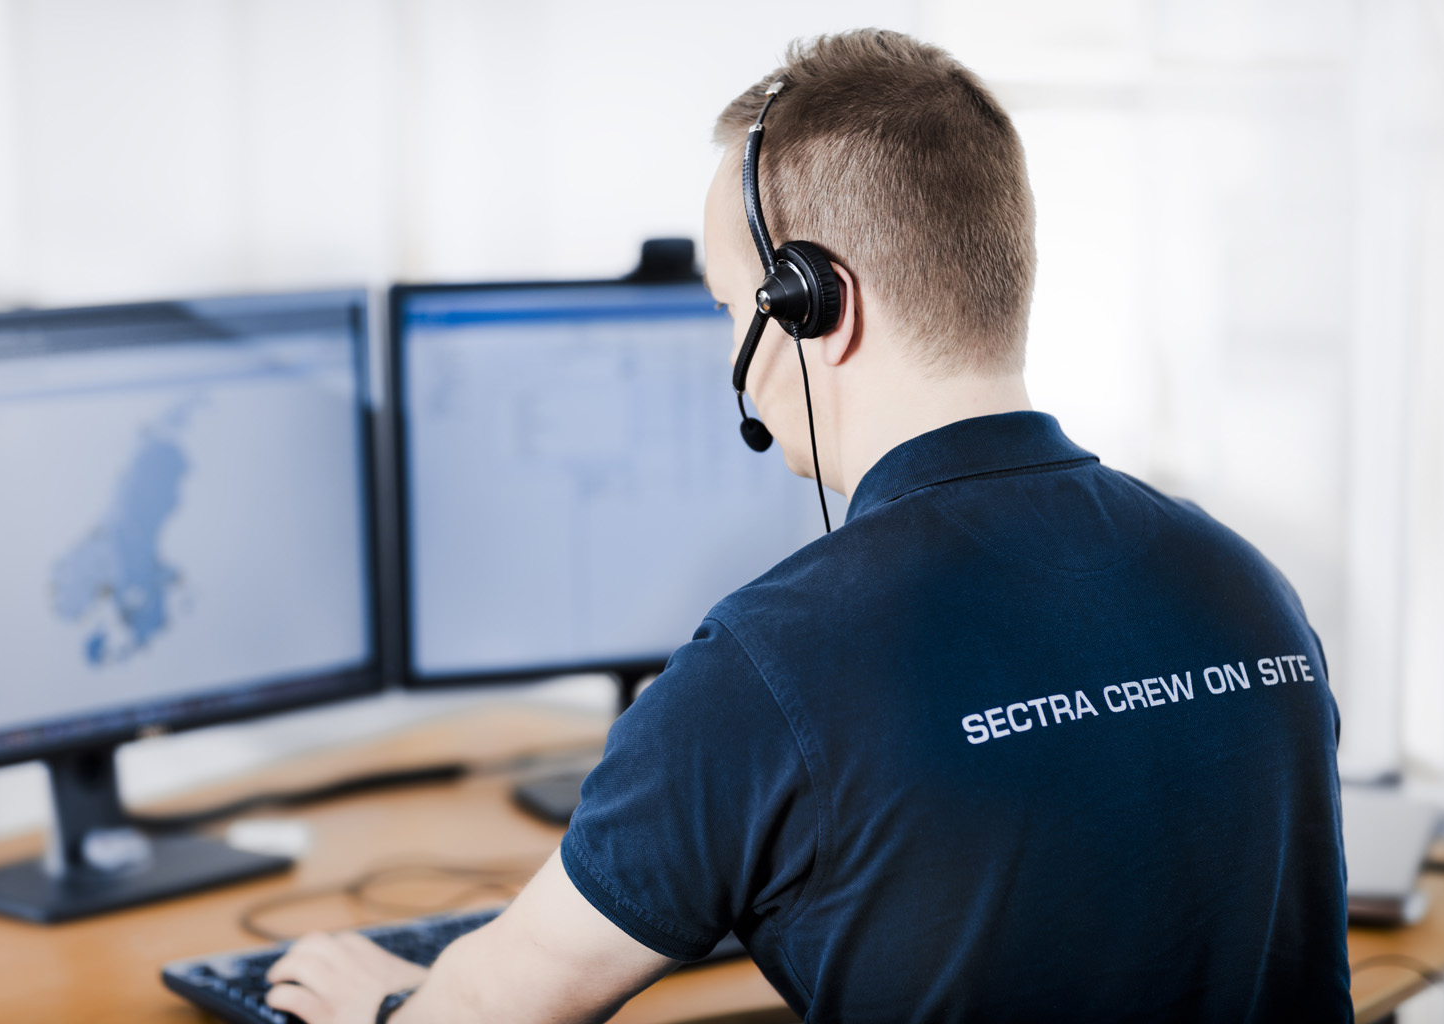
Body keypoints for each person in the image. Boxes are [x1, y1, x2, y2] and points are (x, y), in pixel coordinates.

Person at [264, 29, 1350, 1023]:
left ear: (815, 307)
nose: (725, 353)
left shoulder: (771, 663)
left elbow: (497, 1006)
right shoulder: (1246, 582)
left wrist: (378, 1008)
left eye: (732, 310)